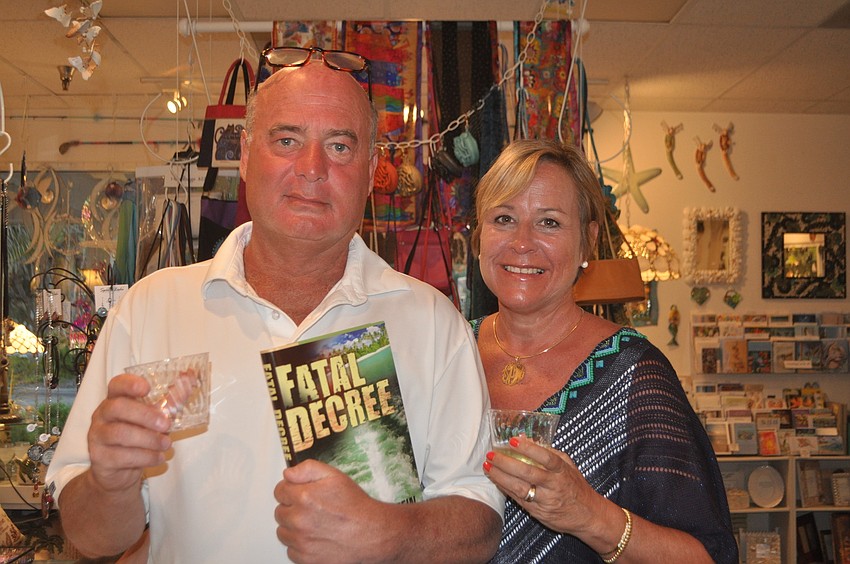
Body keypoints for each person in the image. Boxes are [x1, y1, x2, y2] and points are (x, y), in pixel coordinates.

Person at [45, 51, 503, 563]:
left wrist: (393, 533)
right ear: (244, 155)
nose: (312, 169)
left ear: (372, 170)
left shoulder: (433, 324)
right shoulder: (151, 310)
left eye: (340, 146)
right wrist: (110, 484)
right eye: (287, 141)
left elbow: (480, 522)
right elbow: (91, 536)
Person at [469, 139, 738, 563]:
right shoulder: (448, 351)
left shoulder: (633, 372)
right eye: (504, 218)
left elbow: (704, 556)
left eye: (550, 223)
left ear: (587, 241)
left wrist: (588, 515)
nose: (522, 243)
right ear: (479, 236)